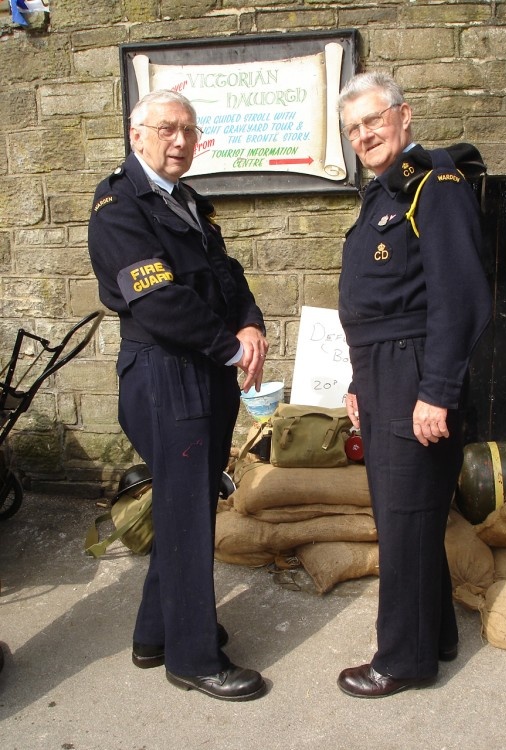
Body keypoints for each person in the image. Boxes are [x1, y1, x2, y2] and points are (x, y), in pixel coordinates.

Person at [88, 90, 269, 702]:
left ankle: (157, 633)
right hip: (166, 373)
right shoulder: (120, 207)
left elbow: (228, 274)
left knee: (182, 503)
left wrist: (250, 324)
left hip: (205, 369)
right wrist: (230, 347)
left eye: (189, 130)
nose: (180, 140)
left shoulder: (188, 202)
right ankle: (194, 657)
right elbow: (159, 300)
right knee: (190, 513)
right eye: (166, 129)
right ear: (136, 136)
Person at [336, 72, 492, 698]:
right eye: (354, 128)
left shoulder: (436, 184)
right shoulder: (384, 193)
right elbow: (380, 300)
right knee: (414, 513)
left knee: (405, 518)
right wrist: (356, 379)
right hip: (383, 371)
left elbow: (461, 296)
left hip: (414, 373)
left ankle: (401, 659)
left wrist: (439, 390)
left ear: (404, 117)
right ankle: (437, 635)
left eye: (374, 120)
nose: (366, 134)